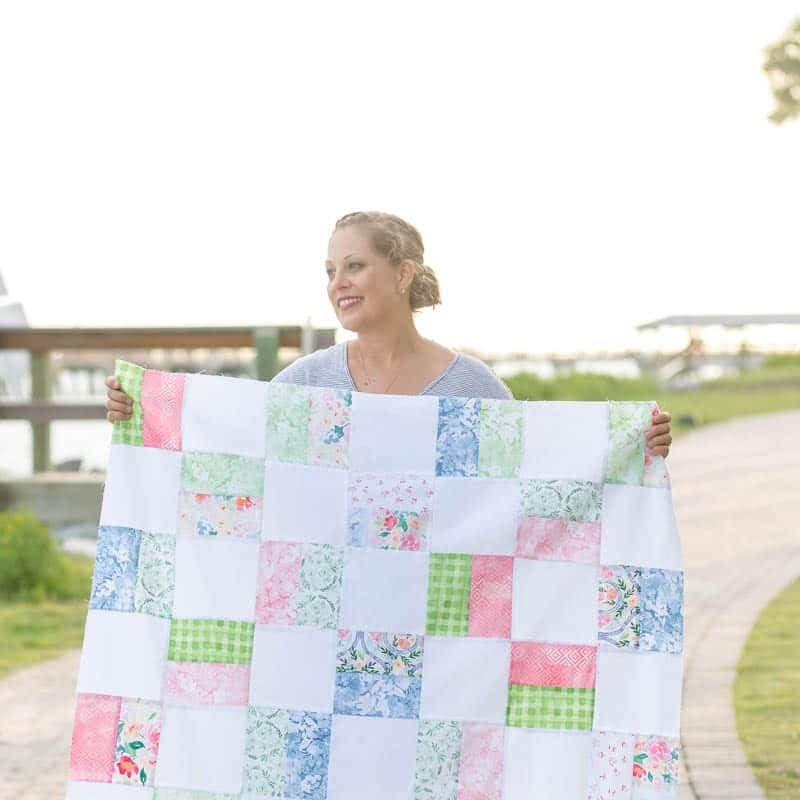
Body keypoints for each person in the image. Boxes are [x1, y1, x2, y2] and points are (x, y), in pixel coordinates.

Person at [105, 210, 672, 457]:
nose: (338, 284)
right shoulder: (308, 382)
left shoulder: (470, 387)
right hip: (328, 614)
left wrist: (629, 445)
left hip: (436, 617)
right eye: (331, 271)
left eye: (355, 266)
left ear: (403, 275)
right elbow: (236, 444)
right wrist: (145, 410)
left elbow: (534, 471)